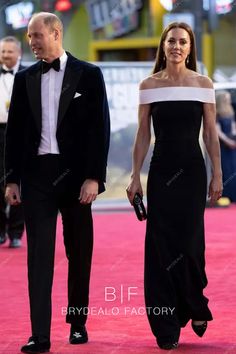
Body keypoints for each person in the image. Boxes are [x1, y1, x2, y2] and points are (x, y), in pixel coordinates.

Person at [4, 12, 110, 353]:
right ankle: (40, 334)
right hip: (36, 177)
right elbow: (16, 134)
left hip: (78, 178)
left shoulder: (89, 75)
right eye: (29, 37)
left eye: (37, 35)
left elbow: (99, 129)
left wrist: (95, 177)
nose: (31, 42)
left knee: (79, 253)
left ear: (56, 32)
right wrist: (11, 179)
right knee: (39, 257)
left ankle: (77, 323)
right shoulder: (24, 79)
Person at [126, 22, 222, 350]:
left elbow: (210, 133)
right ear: (163, 46)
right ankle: (165, 322)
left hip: (193, 173)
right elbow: (142, 134)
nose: (177, 46)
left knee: (192, 243)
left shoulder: (203, 84)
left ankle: (195, 304)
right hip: (161, 173)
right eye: (172, 41)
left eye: (183, 41)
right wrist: (134, 175)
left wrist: (218, 174)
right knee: (160, 246)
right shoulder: (149, 85)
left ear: (190, 47)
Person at [0, 36, 25, 248]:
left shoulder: (31, 74)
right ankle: (0, 231)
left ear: (19, 53)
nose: (5, 55)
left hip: (21, 132)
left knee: (20, 181)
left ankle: (16, 232)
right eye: (2, 52)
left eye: (9, 51)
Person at [216, 90, 236, 202]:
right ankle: (226, 196)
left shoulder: (230, 112)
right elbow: (218, 132)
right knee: (226, 171)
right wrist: (229, 142)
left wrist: (234, 139)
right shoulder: (217, 113)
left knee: (233, 170)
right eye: (227, 98)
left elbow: (233, 127)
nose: (229, 100)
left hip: (232, 146)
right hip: (224, 147)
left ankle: (234, 196)